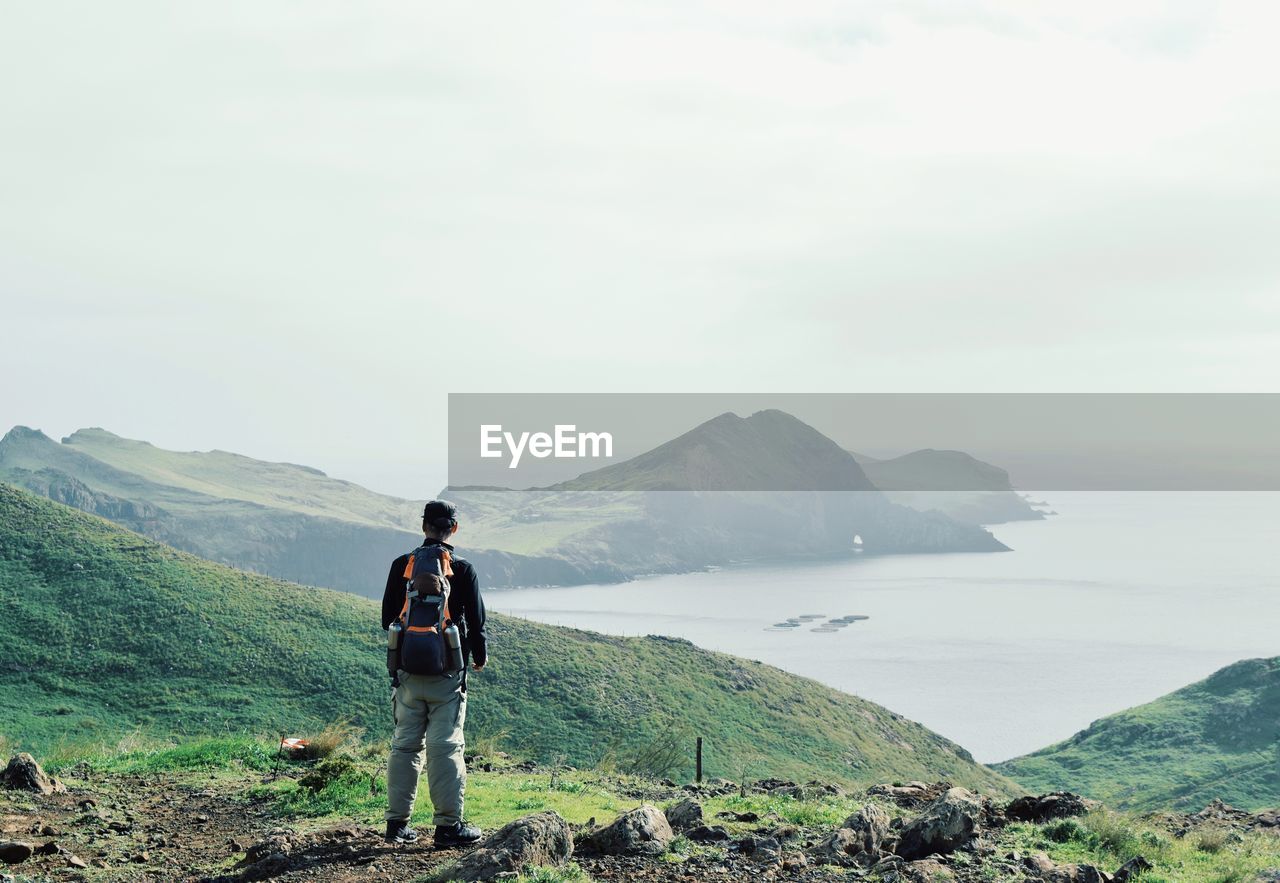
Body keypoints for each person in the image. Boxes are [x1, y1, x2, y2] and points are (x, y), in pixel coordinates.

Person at [381, 499, 488, 847]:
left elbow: (387, 620)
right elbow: (476, 625)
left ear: (423, 525)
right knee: (445, 747)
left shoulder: (403, 565)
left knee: (405, 746)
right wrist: (478, 657)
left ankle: (397, 826)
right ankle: (447, 827)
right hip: (448, 677)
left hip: (408, 674)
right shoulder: (463, 569)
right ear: (453, 528)